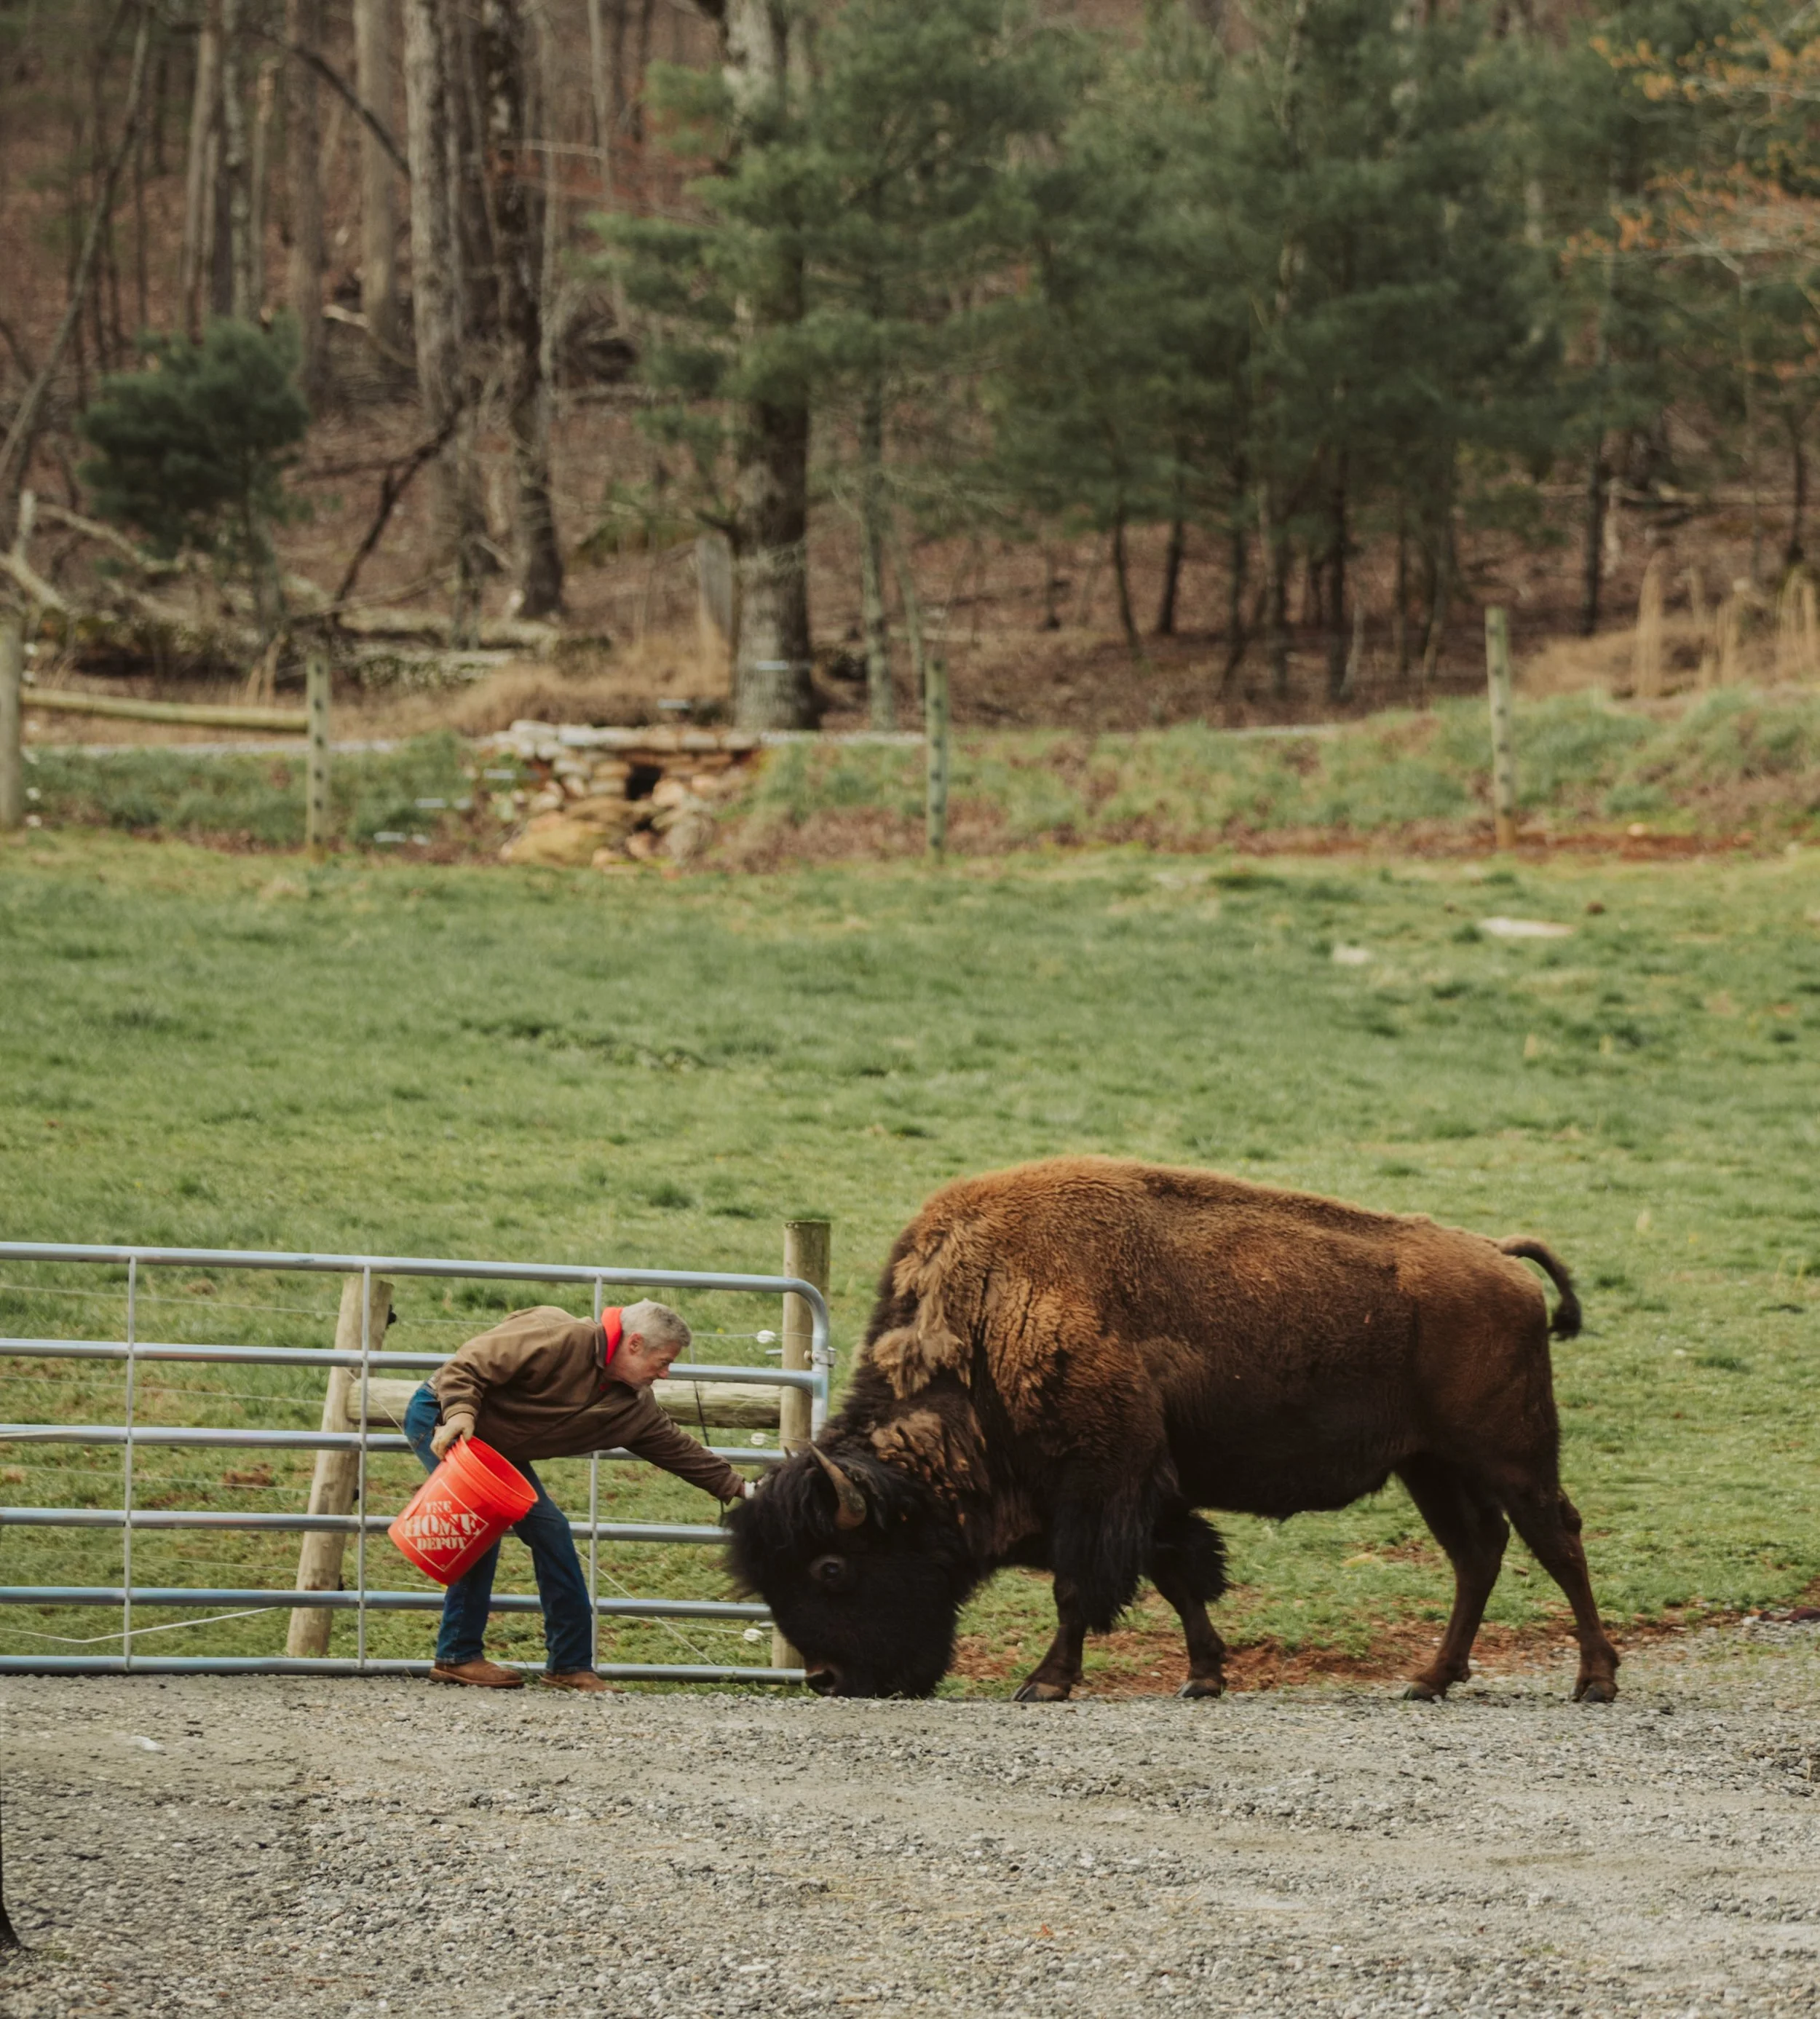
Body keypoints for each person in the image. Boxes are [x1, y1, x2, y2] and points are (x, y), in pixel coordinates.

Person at [403, 1297, 753, 1691]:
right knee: (480, 1524)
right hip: (443, 1418)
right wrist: (461, 1415)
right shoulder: (557, 1335)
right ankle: (458, 1655)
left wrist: (746, 1489)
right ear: (634, 1344)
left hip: (497, 1445)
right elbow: (468, 1365)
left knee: (552, 1531)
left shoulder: (633, 1406)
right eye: (663, 1362)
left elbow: (677, 1449)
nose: (666, 1374)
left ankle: (568, 1666)